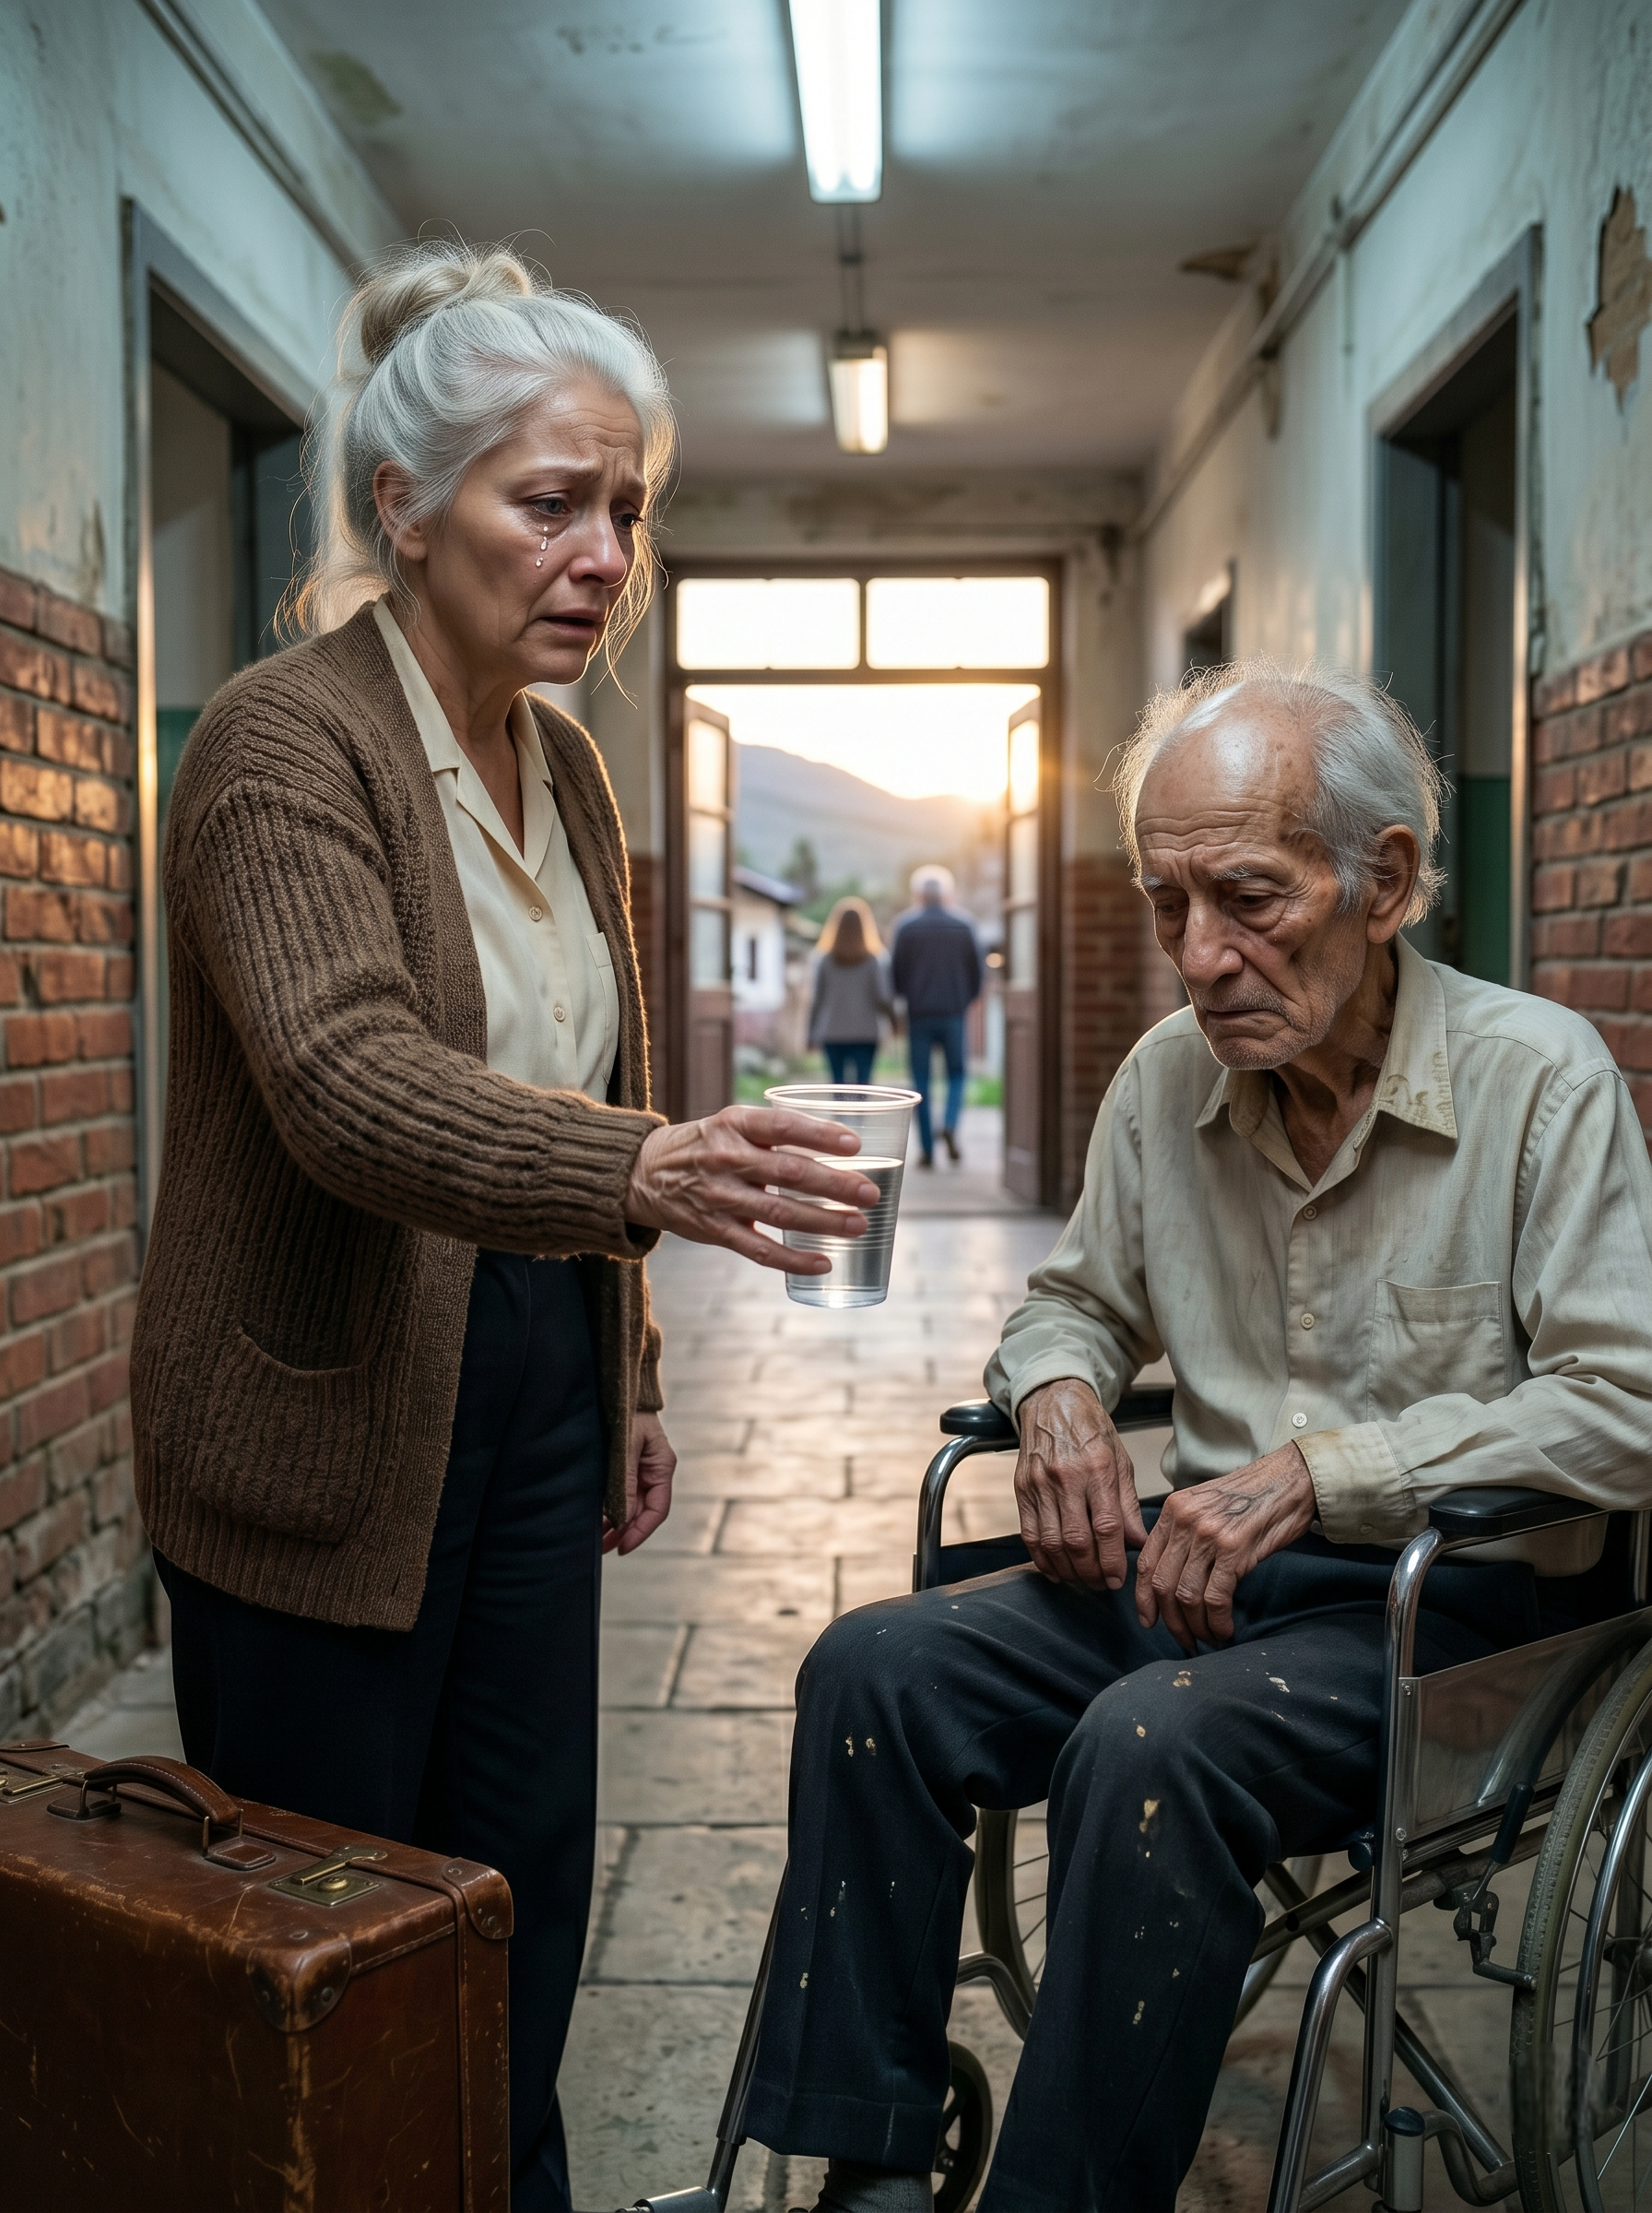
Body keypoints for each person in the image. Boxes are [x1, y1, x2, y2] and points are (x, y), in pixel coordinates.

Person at [128, 239, 879, 2213]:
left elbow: (586, 1058)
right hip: (321, 1416)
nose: (601, 556)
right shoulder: (279, 744)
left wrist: (628, 1371)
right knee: (330, 1920)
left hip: (534, 1376)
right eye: (549, 503)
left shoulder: (565, 765)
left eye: (624, 508)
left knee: (518, 1876)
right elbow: (343, 1078)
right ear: (404, 504)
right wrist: (641, 1173)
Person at [745, 660, 1652, 2213]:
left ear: (1385, 884)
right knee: (872, 1669)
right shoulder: (1170, 1078)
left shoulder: (1534, 1082)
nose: (1199, 956)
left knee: (1147, 1745)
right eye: (1168, 904)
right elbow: (1071, 1303)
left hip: (1449, 1622)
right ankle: (874, 2164)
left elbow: (1623, 1403)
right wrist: (1058, 1398)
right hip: (1203, 1584)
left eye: (1247, 898)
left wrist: (1319, 1475)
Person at [890, 864, 981, 1166]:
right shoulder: (964, 925)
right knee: (957, 1074)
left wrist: (907, 1000)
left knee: (921, 1081)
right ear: (947, 894)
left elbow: (895, 975)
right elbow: (977, 973)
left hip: (919, 1015)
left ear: (918, 895)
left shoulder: (905, 927)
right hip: (953, 1012)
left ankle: (927, 1149)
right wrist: (964, 999)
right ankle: (950, 1125)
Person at [808, 896, 893, 1085]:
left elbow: (817, 1000)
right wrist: (894, 1021)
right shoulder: (874, 960)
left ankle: (838, 1107)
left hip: (832, 1031)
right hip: (866, 1031)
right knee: (863, 1087)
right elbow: (883, 997)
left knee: (838, 1086)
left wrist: (811, 1034)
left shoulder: (825, 961)